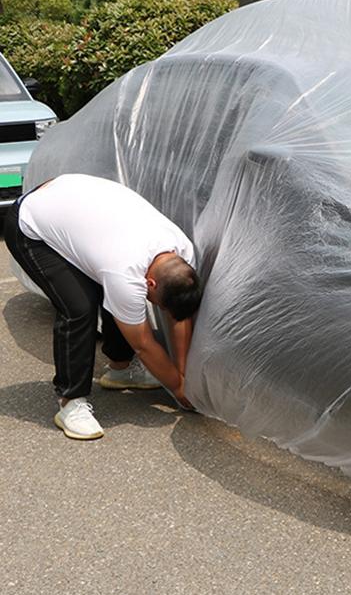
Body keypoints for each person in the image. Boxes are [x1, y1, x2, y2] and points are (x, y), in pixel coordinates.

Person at [4, 173, 203, 440]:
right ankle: (69, 402)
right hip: (31, 223)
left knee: (120, 299)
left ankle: (121, 371)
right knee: (79, 307)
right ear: (152, 283)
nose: (157, 307)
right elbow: (143, 342)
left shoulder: (182, 253)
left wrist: (183, 374)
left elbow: (179, 316)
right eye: (156, 302)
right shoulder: (124, 271)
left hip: (74, 201)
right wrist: (179, 390)